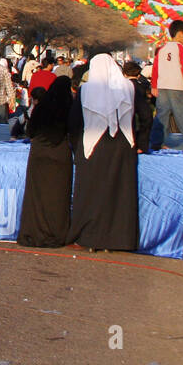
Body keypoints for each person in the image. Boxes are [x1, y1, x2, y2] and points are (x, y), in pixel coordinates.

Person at [66, 54, 139, 252]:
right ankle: (117, 239)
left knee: (91, 192)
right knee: (118, 193)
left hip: (93, 145)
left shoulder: (85, 90)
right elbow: (143, 117)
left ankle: (89, 237)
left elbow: (75, 121)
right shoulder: (129, 88)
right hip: (122, 146)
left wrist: (76, 145)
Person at [17, 78, 74, 248]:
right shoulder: (68, 107)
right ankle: (56, 234)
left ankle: (33, 233)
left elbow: (30, 130)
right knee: (57, 197)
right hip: (59, 154)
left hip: (39, 153)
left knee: (36, 196)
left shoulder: (41, 107)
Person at [151, 20, 183, 147]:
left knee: (161, 116)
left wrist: (154, 86)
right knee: (182, 115)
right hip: (177, 86)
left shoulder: (161, 49)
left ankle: (157, 143)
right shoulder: (182, 48)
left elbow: (155, 68)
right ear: (180, 34)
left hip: (162, 86)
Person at [121, 60, 155, 153]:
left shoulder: (121, 87)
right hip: (143, 113)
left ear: (124, 74)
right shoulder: (143, 86)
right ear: (139, 75)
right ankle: (141, 147)